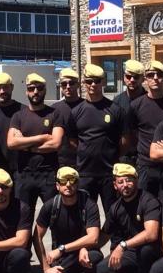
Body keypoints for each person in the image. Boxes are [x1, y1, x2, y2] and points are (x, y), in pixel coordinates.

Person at [96, 163, 161, 273]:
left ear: (137, 181)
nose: (125, 185)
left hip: (155, 251)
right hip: (133, 251)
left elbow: (151, 234)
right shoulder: (116, 208)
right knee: (103, 269)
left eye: (129, 180)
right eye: (121, 181)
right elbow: (105, 234)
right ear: (115, 185)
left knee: (145, 250)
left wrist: (122, 245)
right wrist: (86, 248)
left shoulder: (148, 200)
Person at [33, 167, 102, 273]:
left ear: (77, 183)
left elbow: (93, 237)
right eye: (64, 181)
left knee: (95, 256)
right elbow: (37, 237)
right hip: (63, 260)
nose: (68, 185)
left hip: (82, 254)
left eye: (72, 181)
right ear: (57, 185)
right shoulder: (50, 206)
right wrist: (46, 268)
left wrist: (62, 249)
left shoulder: (88, 204)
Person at [69, 64, 126, 212]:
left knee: (113, 214)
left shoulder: (115, 109)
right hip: (85, 173)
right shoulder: (76, 111)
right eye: (89, 81)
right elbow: (73, 141)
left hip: (109, 172)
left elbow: (124, 141)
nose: (93, 84)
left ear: (104, 82)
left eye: (97, 81)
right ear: (84, 83)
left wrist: (111, 154)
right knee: (85, 216)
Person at [7, 73, 63, 217]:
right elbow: (12, 142)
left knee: (54, 217)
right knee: (23, 218)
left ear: (45, 90)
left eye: (39, 88)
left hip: (48, 175)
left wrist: (25, 144)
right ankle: (24, 241)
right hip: (24, 175)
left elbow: (55, 143)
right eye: (31, 88)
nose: (35, 92)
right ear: (26, 91)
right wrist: (42, 137)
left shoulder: (55, 114)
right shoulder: (18, 116)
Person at [128, 61, 163, 196]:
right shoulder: (136, 105)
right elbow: (133, 133)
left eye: (159, 74)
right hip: (145, 166)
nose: (155, 78)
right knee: (146, 209)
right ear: (145, 79)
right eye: (150, 75)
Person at [113, 60, 146, 165]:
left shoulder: (148, 100)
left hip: (144, 156)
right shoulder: (117, 101)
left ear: (142, 79)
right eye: (128, 77)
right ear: (124, 78)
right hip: (124, 157)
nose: (132, 80)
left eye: (136, 77)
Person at [52, 68, 83, 169]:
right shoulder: (54, 109)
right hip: (59, 162)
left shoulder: (86, 107)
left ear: (78, 85)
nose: (68, 87)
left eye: (71, 83)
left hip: (82, 162)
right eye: (64, 84)